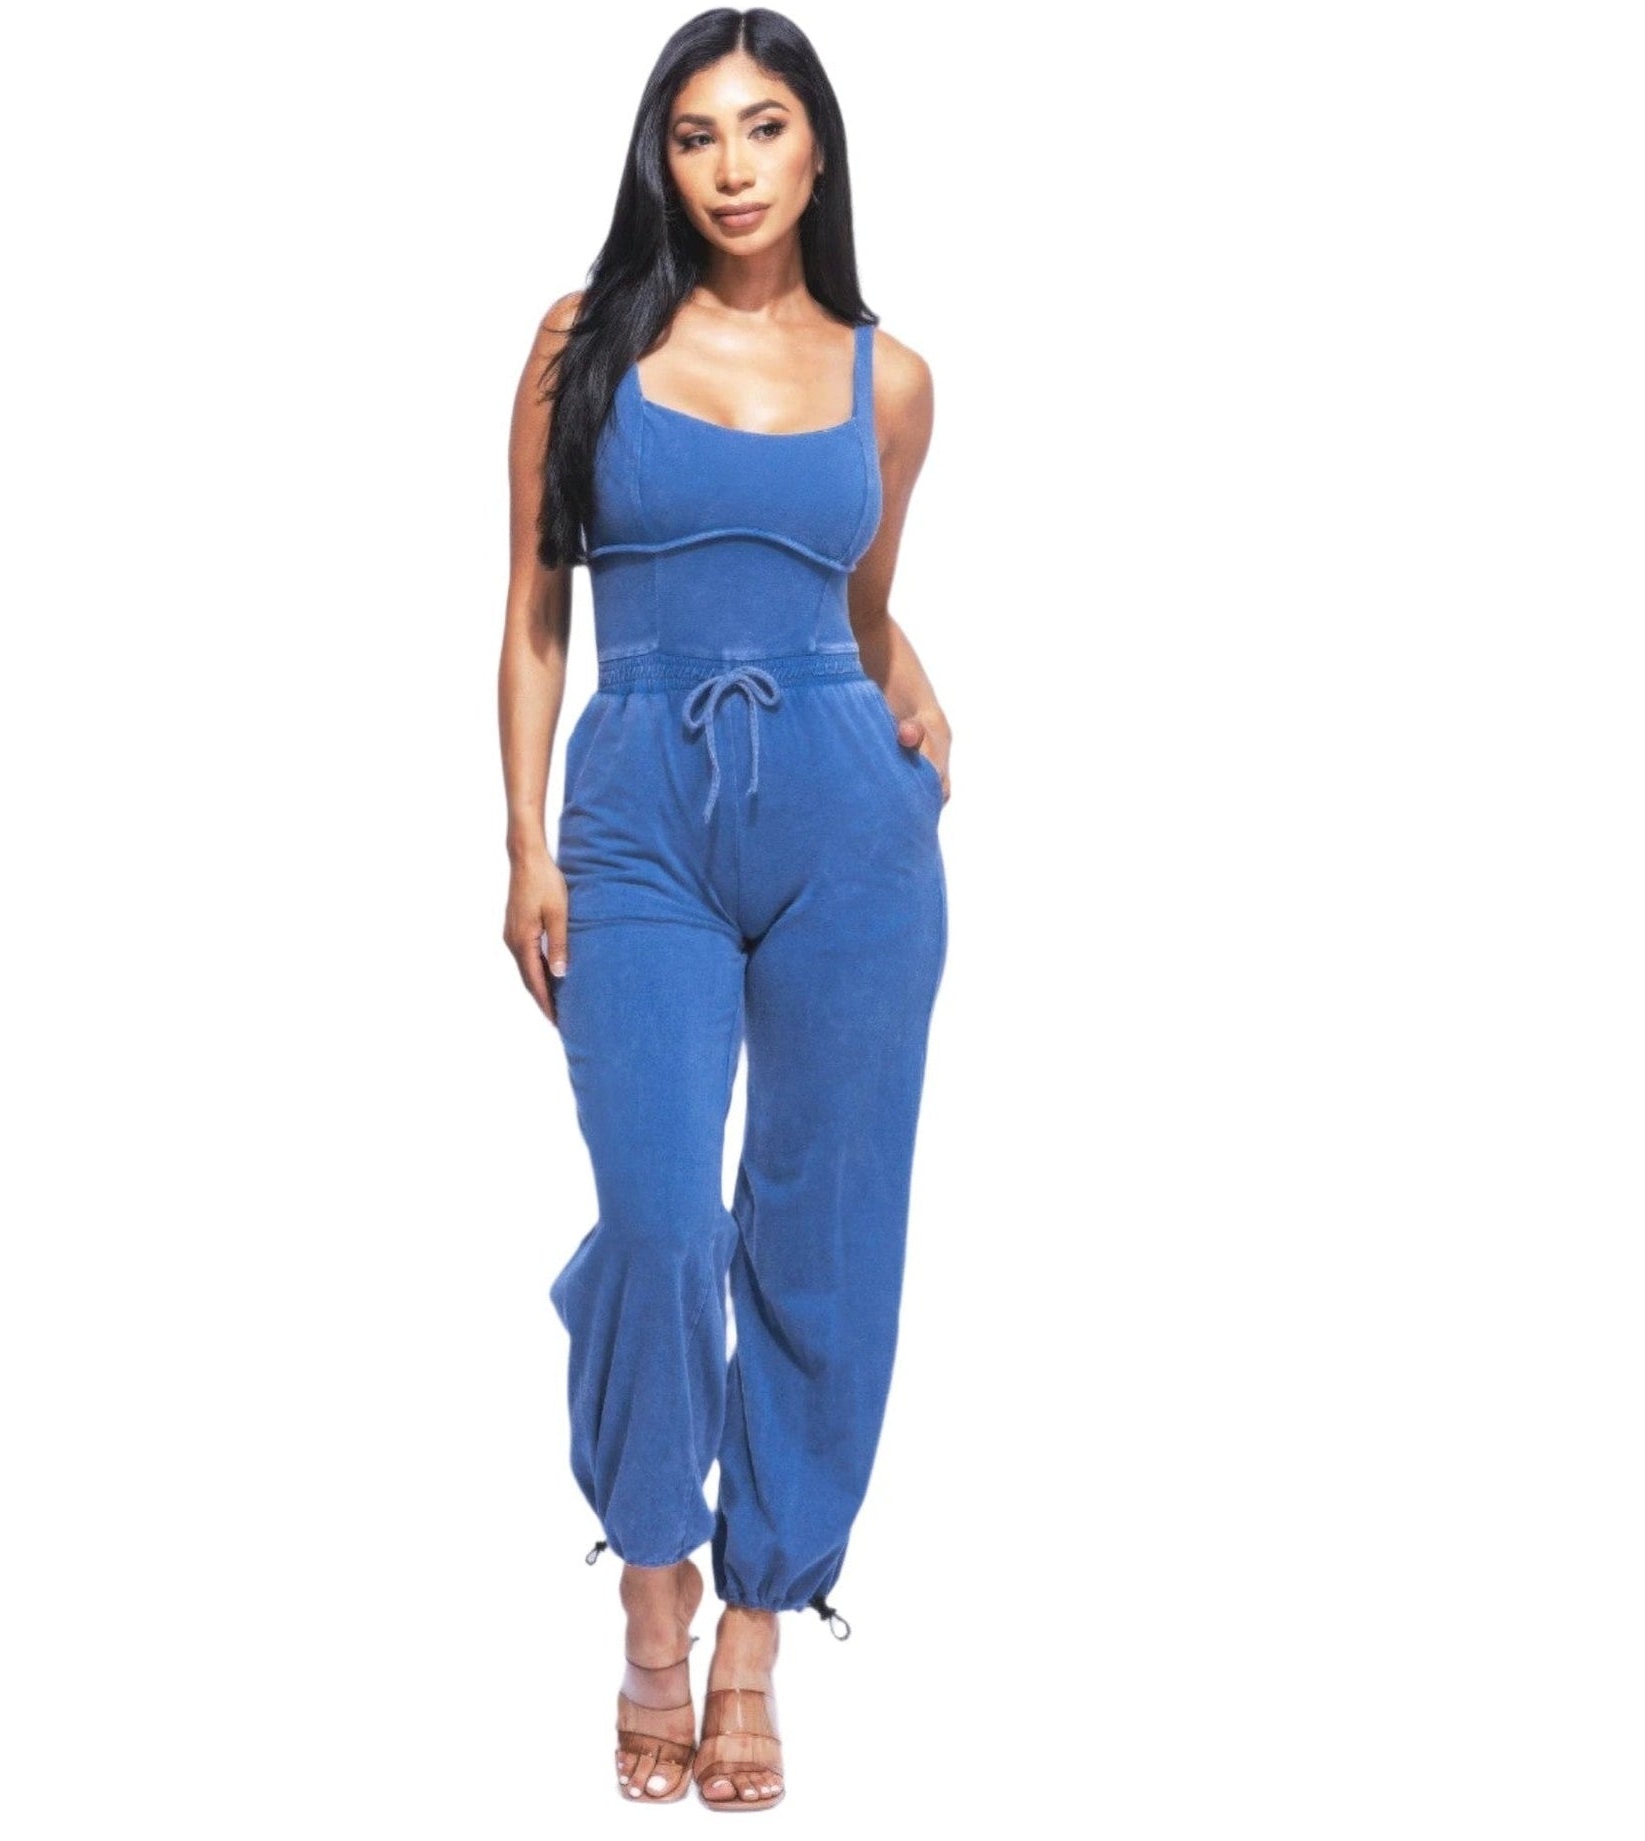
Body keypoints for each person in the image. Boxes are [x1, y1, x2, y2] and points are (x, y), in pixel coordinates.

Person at [498, 8, 951, 1811]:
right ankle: (652, 1586)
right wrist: (522, 842)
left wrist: (914, 690)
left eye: (765, 128)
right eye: (696, 134)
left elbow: (858, 607)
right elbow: (534, 611)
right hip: (635, 817)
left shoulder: (887, 381)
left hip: (847, 817)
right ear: (660, 160)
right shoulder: (581, 342)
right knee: (663, 1217)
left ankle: (757, 1621)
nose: (733, 165)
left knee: (824, 1225)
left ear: (817, 149)